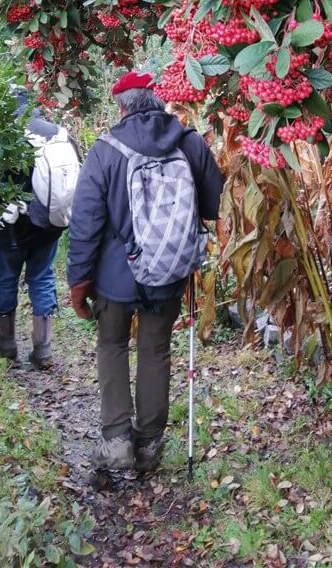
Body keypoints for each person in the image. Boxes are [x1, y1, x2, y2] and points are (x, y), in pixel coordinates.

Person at [67, 70, 223, 474]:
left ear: (121, 107)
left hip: (115, 276)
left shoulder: (106, 150)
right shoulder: (188, 142)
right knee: (155, 349)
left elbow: (85, 221)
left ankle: (117, 440)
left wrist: (79, 282)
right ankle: (150, 444)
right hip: (169, 271)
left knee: (112, 345)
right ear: (155, 100)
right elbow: (212, 204)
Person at [0, 92, 76, 369]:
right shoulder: (58, 135)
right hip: (49, 225)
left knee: (4, 276)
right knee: (43, 277)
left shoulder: (3, 137)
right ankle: (43, 349)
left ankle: (6, 341)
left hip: (10, 228)